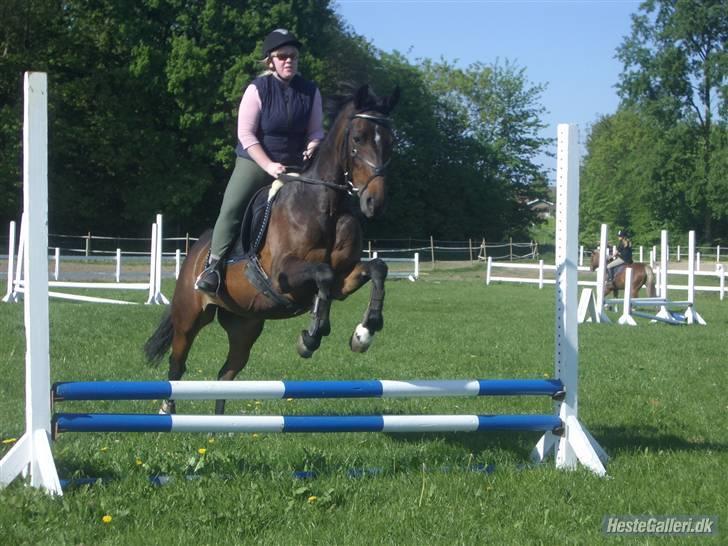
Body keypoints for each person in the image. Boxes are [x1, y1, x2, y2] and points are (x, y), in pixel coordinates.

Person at [195, 28, 325, 295]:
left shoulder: (310, 91)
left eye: (294, 56)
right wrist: (268, 165)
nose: (289, 60)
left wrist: (312, 145)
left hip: (294, 166)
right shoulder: (258, 89)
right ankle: (213, 266)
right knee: (232, 206)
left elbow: (316, 131)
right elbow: (245, 133)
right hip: (256, 162)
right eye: (283, 56)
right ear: (270, 61)